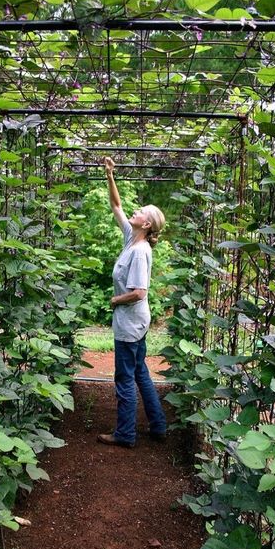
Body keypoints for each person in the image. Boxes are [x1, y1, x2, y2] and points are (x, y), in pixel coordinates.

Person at [97, 157, 167, 449]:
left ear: (147, 223)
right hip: (136, 322)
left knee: (125, 377)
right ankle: (159, 425)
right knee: (140, 371)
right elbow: (116, 206)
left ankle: (125, 433)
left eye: (140, 211)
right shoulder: (131, 237)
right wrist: (110, 174)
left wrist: (115, 299)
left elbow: (139, 291)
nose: (134, 211)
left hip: (130, 322)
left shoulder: (139, 252)